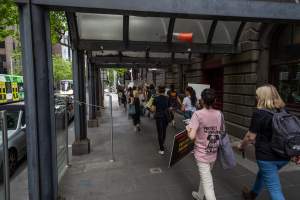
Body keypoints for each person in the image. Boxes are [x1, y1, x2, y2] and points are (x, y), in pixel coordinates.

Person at [238, 84, 289, 200]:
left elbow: (250, 136)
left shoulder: (260, 113)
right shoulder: (284, 111)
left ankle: (252, 195)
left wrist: (241, 146)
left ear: (262, 97)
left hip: (267, 157)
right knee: (263, 174)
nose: (256, 98)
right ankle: (252, 194)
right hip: (284, 155)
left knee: (275, 189)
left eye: (257, 95)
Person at [186, 88, 221, 200]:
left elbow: (191, 136)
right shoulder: (219, 114)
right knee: (206, 177)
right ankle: (200, 195)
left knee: (208, 185)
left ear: (202, 100)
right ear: (214, 100)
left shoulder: (197, 114)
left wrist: (188, 128)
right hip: (213, 151)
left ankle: (204, 195)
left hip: (202, 154)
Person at [151, 85, 169, 155]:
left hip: (159, 117)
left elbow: (153, 109)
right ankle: (163, 142)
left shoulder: (155, 99)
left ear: (158, 91)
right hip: (166, 117)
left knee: (159, 132)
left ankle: (161, 149)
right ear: (164, 91)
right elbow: (169, 108)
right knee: (164, 131)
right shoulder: (167, 98)